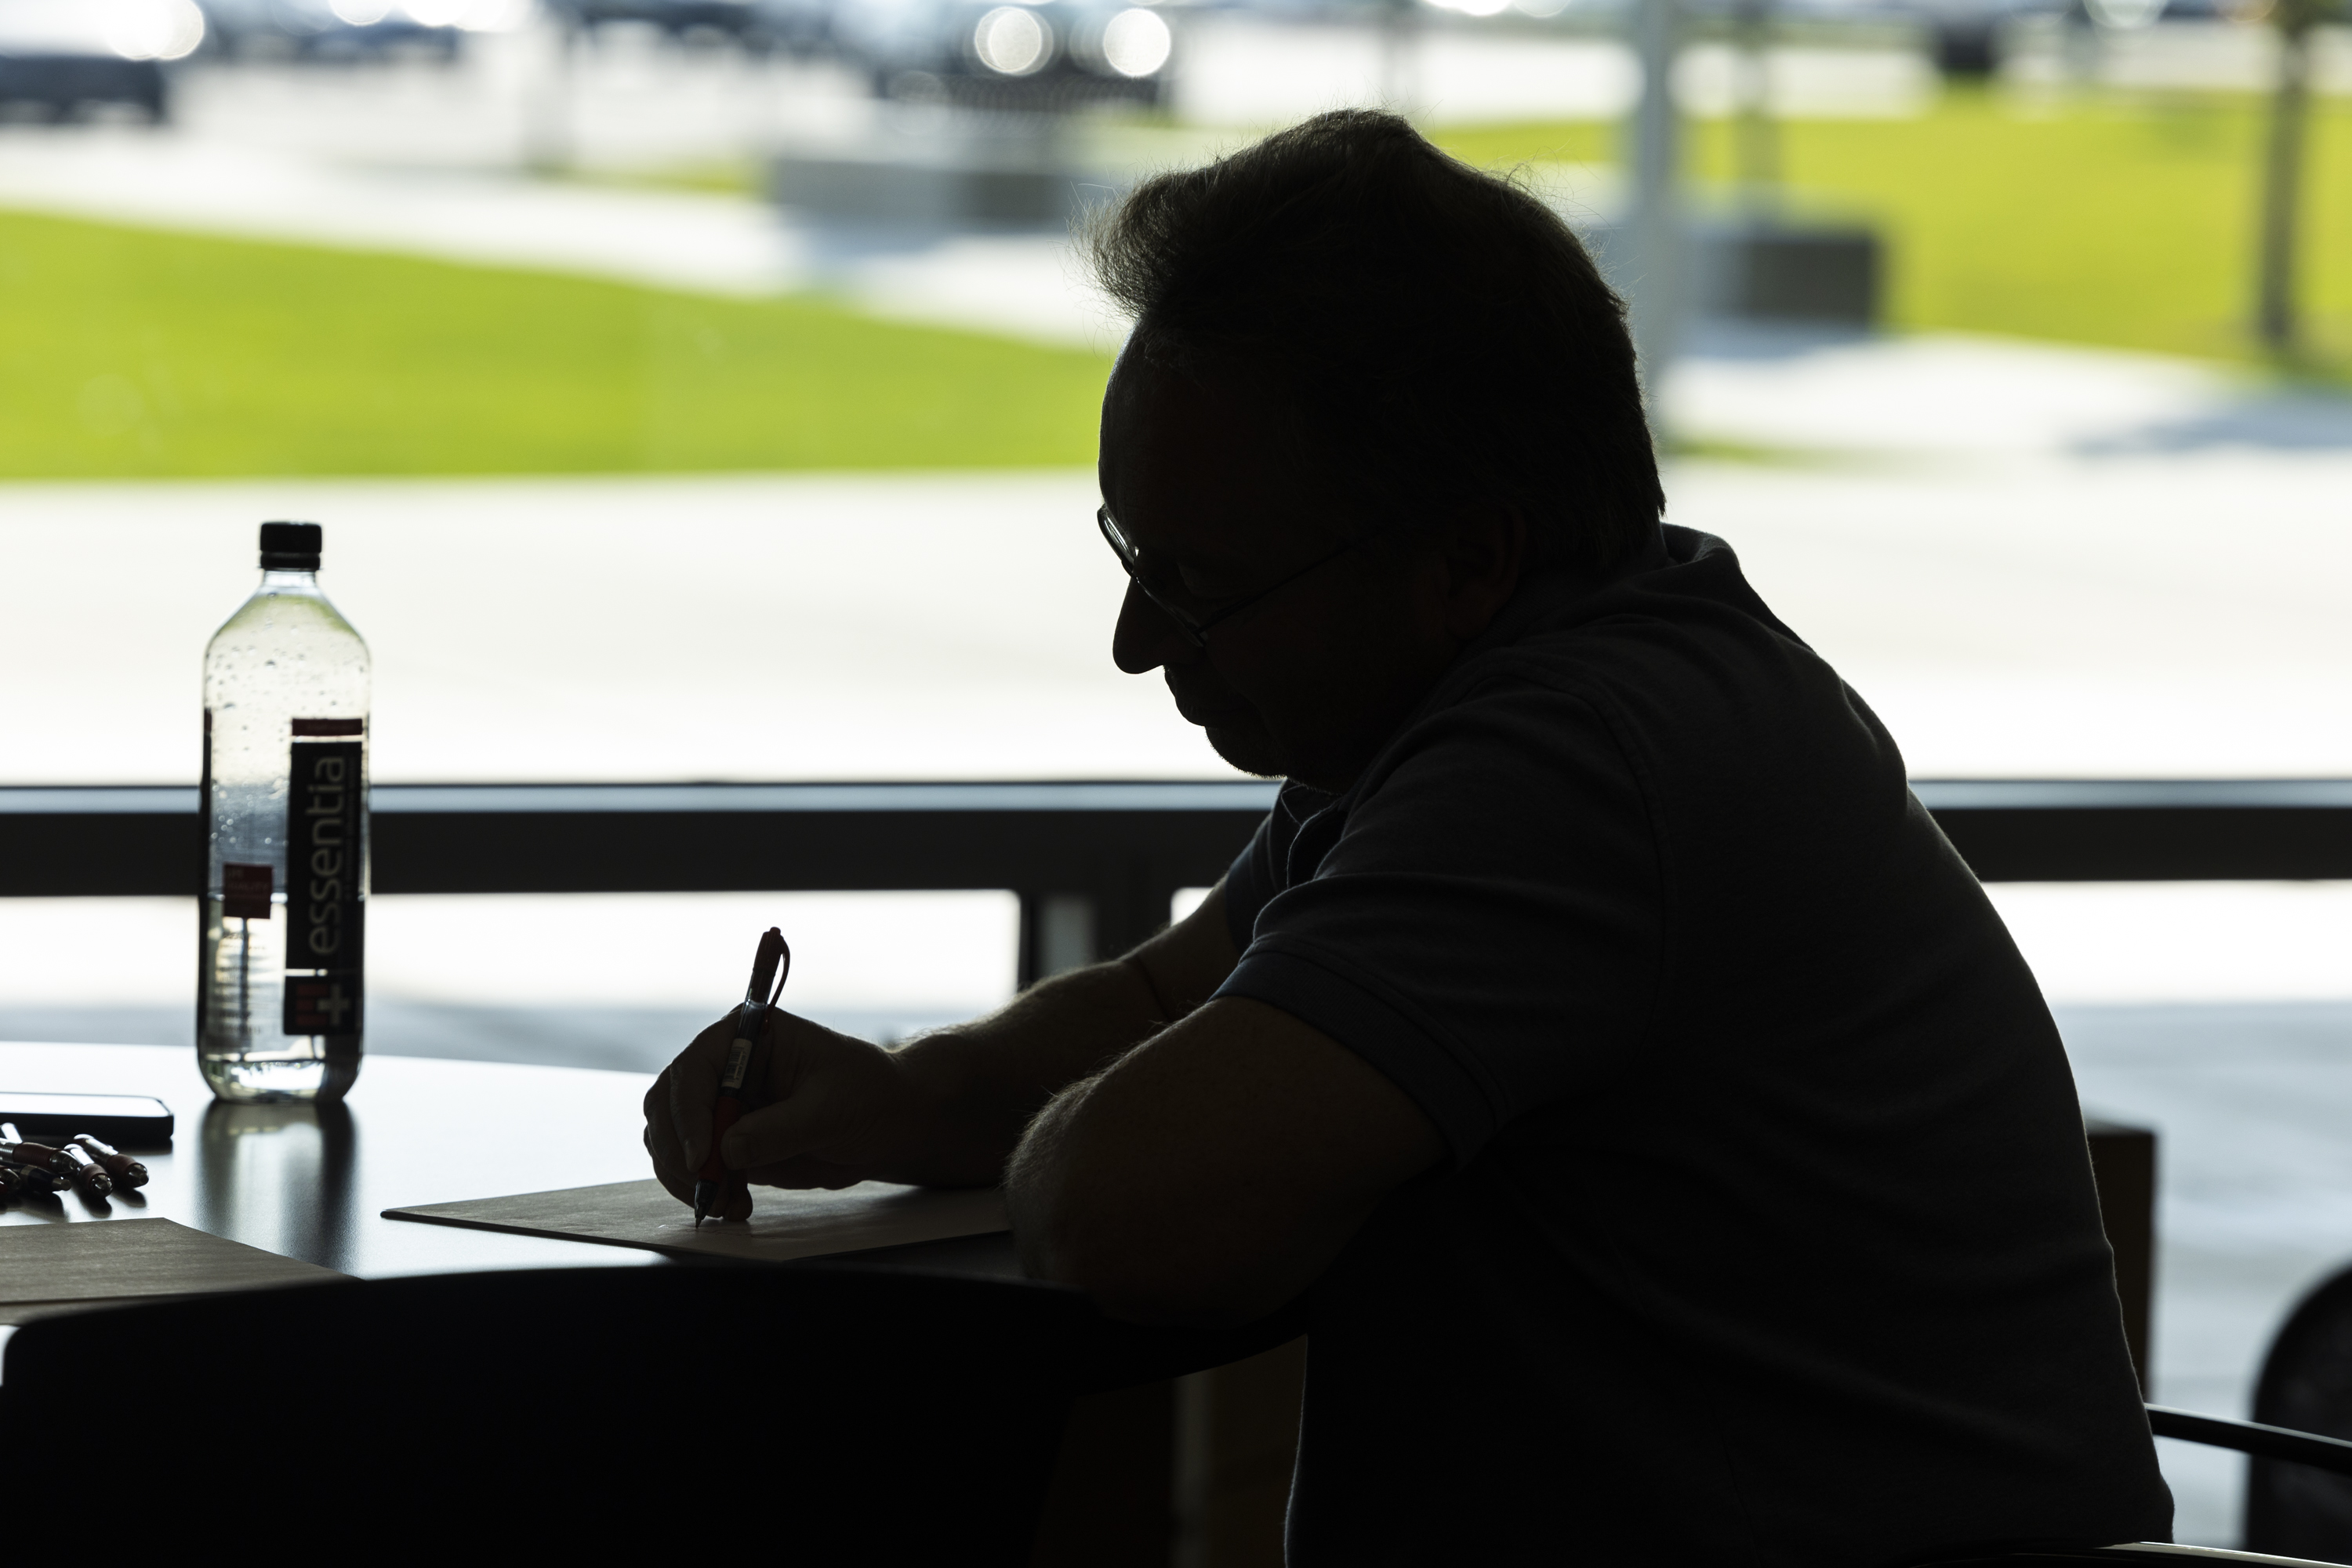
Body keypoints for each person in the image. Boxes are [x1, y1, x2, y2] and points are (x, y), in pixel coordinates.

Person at [644, 109, 2172, 1565]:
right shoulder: (1507, 700)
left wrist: (1066, 1132)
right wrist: (907, 1096)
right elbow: (1170, 1006)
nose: (1132, 641)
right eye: (1129, 553)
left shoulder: (1582, 762)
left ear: (1466, 558)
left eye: (1197, 580)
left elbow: (1130, 1209)